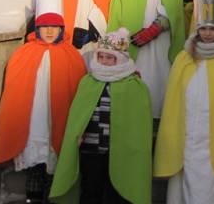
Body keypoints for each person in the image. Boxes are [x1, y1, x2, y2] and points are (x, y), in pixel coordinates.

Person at [0, 0, 86, 204]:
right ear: (37, 28)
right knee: (35, 157)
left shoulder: (72, 55)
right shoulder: (24, 53)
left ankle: (53, 195)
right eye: (44, 27)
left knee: (55, 158)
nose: (48, 31)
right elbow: (15, 88)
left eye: (53, 27)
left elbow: (77, 88)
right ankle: (33, 197)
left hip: (57, 115)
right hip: (33, 115)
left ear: (61, 29)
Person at [153, 0, 214, 204]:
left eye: (212, 29)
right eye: (203, 28)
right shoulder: (185, 59)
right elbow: (172, 102)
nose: (207, 33)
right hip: (188, 137)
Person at [49, 28, 153, 204]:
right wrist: (78, 134)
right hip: (92, 148)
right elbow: (79, 116)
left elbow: (139, 124)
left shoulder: (135, 86)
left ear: (119, 59)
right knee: (91, 190)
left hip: (121, 151)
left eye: (110, 58)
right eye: (101, 57)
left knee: (117, 193)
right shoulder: (89, 81)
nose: (104, 62)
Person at [107, 0, 186, 119]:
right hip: (135, 38)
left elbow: (174, 6)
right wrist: (120, 33)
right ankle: (136, 114)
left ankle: (159, 114)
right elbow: (119, 5)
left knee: (160, 74)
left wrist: (158, 26)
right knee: (137, 71)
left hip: (160, 39)